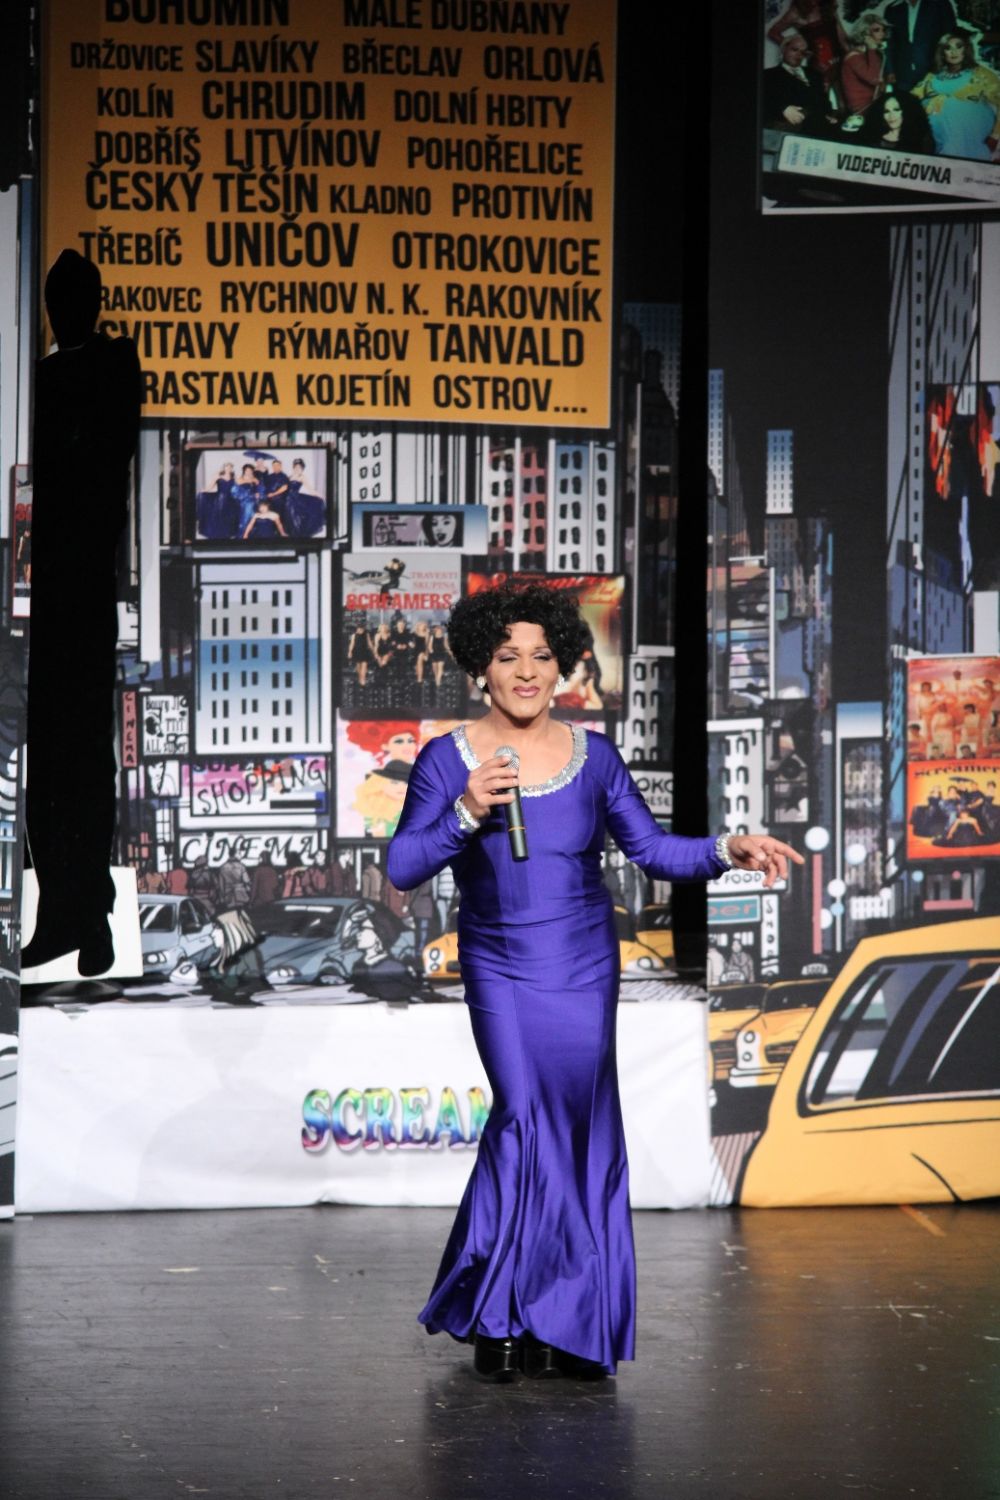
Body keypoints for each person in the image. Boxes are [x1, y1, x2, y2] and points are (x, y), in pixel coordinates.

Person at [386, 580, 802, 1382]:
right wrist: (465, 810)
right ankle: (499, 1311)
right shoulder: (448, 760)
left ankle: (567, 1320)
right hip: (500, 963)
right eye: (508, 656)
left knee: (577, 1131)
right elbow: (403, 865)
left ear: (563, 667)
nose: (527, 671)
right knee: (521, 1117)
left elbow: (653, 851)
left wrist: (727, 850)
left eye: (542, 656)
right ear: (480, 668)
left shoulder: (595, 758)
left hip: (582, 962)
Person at [23, 250, 141, 975]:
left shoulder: (105, 366)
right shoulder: (45, 378)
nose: (69, 310)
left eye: (77, 298)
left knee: (81, 759)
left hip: (81, 589)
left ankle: (86, 914)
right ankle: (68, 914)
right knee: (50, 762)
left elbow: (90, 450)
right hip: (52, 592)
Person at [912, 32, 1000, 160]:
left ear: (966, 49)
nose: (954, 52)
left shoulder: (982, 74)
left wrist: (995, 135)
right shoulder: (932, 76)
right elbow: (912, 98)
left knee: (951, 105)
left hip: (972, 122)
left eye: (959, 46)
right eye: (948, 48)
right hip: (937, 124)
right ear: (942, 53)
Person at [761, 32, 832, 134]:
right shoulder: (768, 75)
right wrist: (783, 109)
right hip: (790, 127)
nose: (799, 55)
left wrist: (829, 114)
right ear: (784, 49)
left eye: (803, 52)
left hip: (819, 125)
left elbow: (824, 100)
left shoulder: (815, 74)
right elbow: (763, 102)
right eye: (794, 50)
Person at [883, 0, 958, 93]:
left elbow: (950, 39)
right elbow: (888, 43)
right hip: (902, 75)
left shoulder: (940, 5)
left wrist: (948, 68)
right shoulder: (893, 8)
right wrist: (890, 70)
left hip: (934, 72)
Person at [838, 11, 889, 116]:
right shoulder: (853, 57)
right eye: (876, 30)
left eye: (883, 30)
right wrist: (872, 48)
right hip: (862, 110)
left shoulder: (871, 54)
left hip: (874, 104)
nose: (882, 34)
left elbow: (880, 81)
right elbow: (875, 79)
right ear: (865, 34)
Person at [856, 89, 936, 151]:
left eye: (896, 110)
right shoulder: (871, 138)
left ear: (907, 111)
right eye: (886, 111)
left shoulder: (922, 140)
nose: (891, 116)